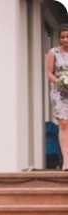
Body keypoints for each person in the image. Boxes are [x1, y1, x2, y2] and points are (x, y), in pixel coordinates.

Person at [46, 24, 68, 171]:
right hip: (59, 92)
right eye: (62, 37)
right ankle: (66, 160)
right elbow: (49, 73)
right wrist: (62, 83)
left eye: (67, 37)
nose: (65, 39)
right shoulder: (53, 52)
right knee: (64, 124)